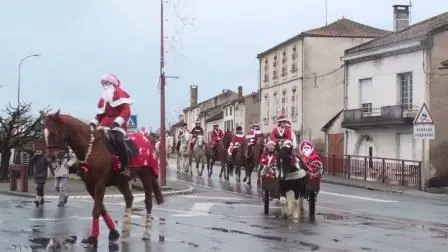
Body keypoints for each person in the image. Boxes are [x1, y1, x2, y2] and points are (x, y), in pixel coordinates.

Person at [90, 73, 132, 176]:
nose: (104, 85)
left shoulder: (120, 93)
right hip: (104, 124)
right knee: (94, 141)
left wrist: (117, 122)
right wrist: (93, 123)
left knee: (117, 140)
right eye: (103, 83)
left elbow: (126, 111)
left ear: (112, 83)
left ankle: (125, 166)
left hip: (118, 124)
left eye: (106, 83)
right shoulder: (103, 98)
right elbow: (99, 115)